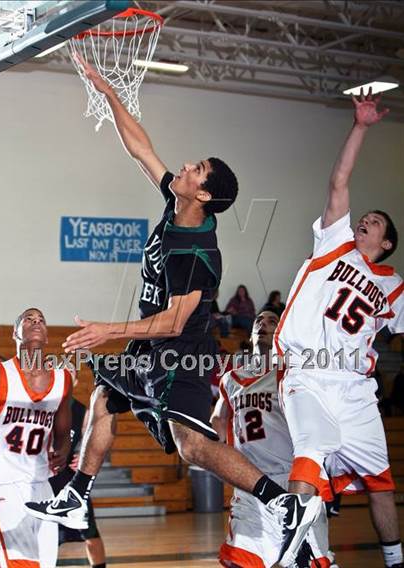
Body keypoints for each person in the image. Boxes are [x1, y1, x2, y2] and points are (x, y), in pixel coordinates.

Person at [25, 55, 322, 567]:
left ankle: (285, 504)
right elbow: (141, 148)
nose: (184, 167)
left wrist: (108, 330)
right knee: (103, 392)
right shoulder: (176, 202)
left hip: (180, 351)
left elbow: (174, 322)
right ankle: (76, 493)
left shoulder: (197, 252)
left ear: (204, 194)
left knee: (192, 446)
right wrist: (107, 92)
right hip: (150, 346)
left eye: (196, 170)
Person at [274, 90, 403, 568]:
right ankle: (293, 552)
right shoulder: (335, 244)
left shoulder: (393, 286)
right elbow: (339, 181)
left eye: (374, 224)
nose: (364, 222)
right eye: (363, 219)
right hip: (308, 370)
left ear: (386, 243)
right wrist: (362, 127)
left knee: (382, 484)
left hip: (355, 389)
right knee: (309, 450)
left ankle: (394, 560)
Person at [212, 310, 332, 568]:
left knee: (308, 563)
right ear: (251, 333)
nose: (263, 324)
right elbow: (218, 416)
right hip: (250, 483)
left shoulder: (292, 371)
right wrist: (215, 436)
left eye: (272, 321)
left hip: (292, 481)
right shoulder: (231, 379)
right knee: (239, 561)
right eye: (258, 321)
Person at [0, 308, 72, 568]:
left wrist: (64, 450)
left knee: (44, 565)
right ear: (15, 333)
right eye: (28, 320)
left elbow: (63, 434)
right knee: (22, 564)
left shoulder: (62, 379)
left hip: (41, 485)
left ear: (46, 335)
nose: (36, 323)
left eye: (41, 320)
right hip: (3, 483)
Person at [50, 365, 107, 568]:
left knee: (90, 532)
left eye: (70, 375)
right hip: (41, 478)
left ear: (74, 382)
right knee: (42, 535)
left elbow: (98, 441)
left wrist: (83, 458)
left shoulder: (82, 412)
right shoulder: (40, 405)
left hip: (69, 479)